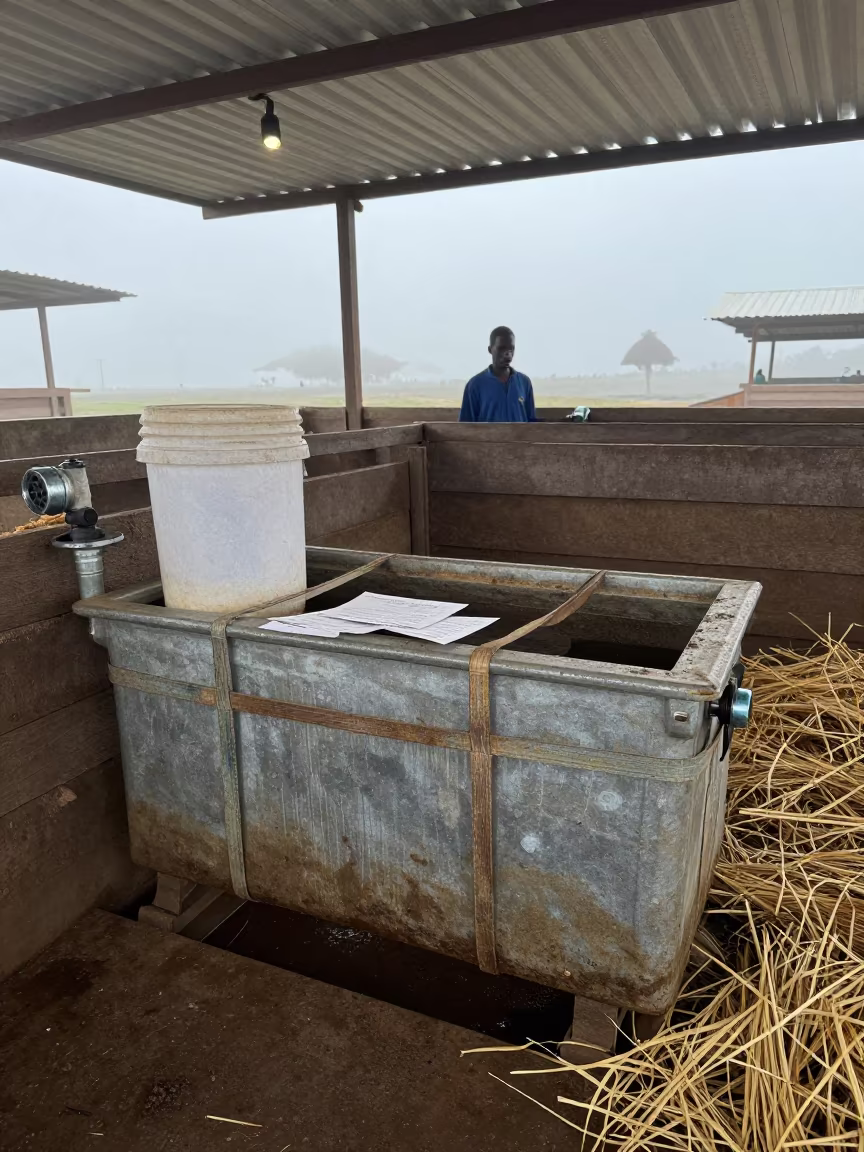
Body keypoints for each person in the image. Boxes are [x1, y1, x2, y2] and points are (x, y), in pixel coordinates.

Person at [459, 326, 538, 422]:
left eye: (511, 348)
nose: (507, 354)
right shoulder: (474, 385)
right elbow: (465, 426)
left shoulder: (524, 383)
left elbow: (531, 422)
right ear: (490, 349)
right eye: (501, 348)